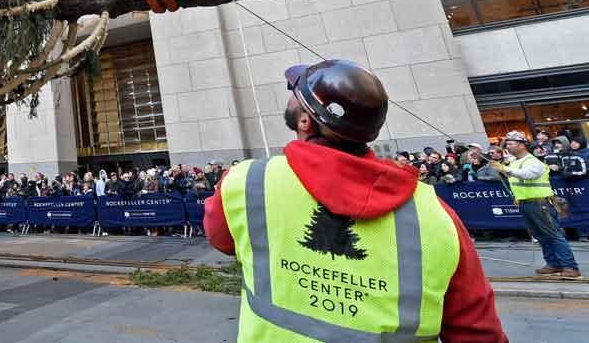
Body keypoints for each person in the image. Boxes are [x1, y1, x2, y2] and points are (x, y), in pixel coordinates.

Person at [204, 60, 505, 342]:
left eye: (297, 94)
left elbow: (222, 238)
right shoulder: (436, 215)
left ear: (306, 121)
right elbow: (477, 332)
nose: (291, 95)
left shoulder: (247, 181)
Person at [488, 131, 580, 277]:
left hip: (540, 204)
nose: (508, 147)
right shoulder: (515, 162)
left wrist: (505, 169)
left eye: (511, 144)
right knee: (541, 235)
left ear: (521, 145)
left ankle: (570, 267)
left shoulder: (533, 161)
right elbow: (515, 176)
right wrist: (504, 169)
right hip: (527, 204)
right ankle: (553, 264)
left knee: (553, 235)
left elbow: (529, 174)